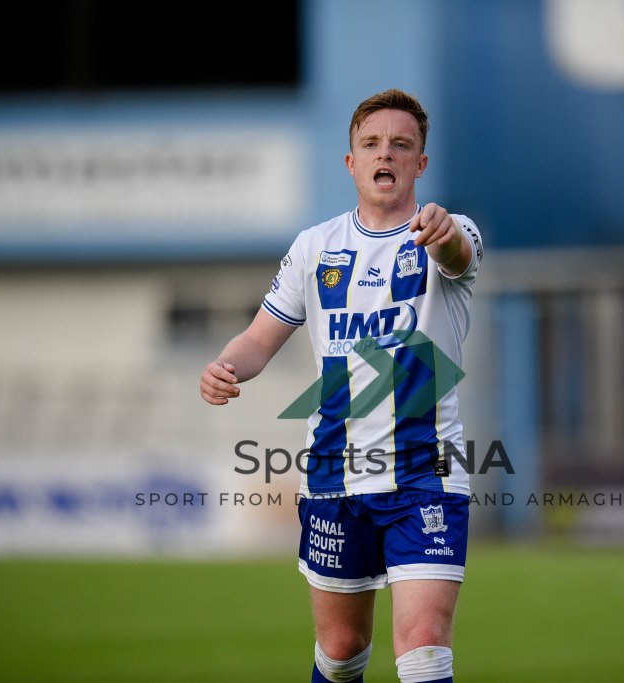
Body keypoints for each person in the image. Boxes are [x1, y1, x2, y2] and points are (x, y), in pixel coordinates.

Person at [200, 88, 483, 683]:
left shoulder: (448, 232)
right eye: (371, 143)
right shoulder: (315, 247)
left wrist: (444, 234)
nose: (386, 153)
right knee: (342, 650)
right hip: (334, 475)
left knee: (423, 646)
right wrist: (226, 365)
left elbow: (457, 255)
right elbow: (259, 339)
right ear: (351, 162)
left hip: (426, 474)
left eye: (401, 144)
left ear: (420, 163)